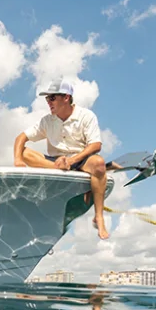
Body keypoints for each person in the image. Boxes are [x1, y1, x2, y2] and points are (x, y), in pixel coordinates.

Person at [13, 80, 110, 239]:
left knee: (99, 165)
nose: (48, 102)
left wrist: (71, 161)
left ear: (66, 97)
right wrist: (18, 160)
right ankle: (56, 168)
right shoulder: (47, 120)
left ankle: (99, 216)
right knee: (24, 152)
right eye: (47, 99)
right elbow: (21, 138)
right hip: (54, 163)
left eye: (52, 98)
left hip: (80, 159)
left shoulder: (86, 116)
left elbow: (95, 145)